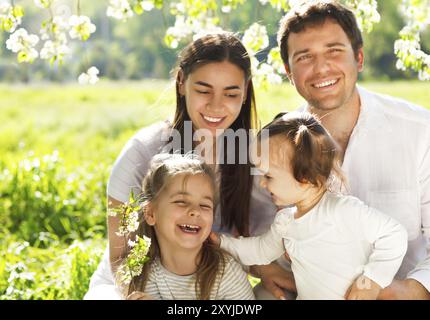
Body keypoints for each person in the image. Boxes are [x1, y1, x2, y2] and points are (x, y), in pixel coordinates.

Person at [256, 0, 430, 300]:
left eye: (334, 51)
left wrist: (411, 289)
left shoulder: (420, 130)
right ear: (288, 71)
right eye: (305, 57)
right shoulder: (274, 145)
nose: (321, 67)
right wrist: (262, 268)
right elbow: (252, 233)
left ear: (359, 58)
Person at [84, 33, 277, 299]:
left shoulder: (256, 157)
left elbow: (270, 238)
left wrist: (264, 268)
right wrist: (136, 294)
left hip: (213, 284)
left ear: (245, 93)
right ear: (181, 83)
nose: (216, 105)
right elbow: (121, 256)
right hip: (139, 281)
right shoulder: (142, 152)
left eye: (231, 93)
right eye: (203, 90)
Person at [212, 112, 408, 300]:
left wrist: (371, 280)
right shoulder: (285, 222)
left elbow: (394, 235)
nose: (262, 183)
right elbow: (260, 250)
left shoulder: (343, 210)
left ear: (304, 177)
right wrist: (221, 242)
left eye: (268, 176)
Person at [116, 153, 255, 300]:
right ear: (151, 213)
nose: (195, 211)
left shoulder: (226, 273)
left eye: (205, 205)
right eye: (181, 202)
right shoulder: (143, 273)